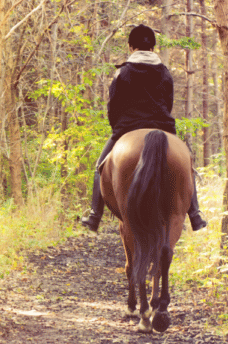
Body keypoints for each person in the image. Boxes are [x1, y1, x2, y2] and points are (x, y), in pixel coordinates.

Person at [81, 24, 207, 233]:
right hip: (163, 128)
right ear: (153, 48)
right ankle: (195, 215)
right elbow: (168, 103)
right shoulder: (164, 72)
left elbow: (113, 107)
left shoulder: (122, 72)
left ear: (131, 47)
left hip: (127, 128)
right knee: (188, 165)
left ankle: (95, 216)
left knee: (100, 167)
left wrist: (118, 130)